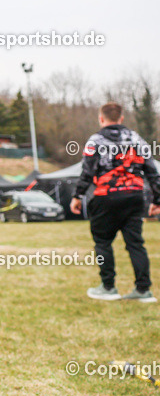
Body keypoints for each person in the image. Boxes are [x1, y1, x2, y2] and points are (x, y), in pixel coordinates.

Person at [72, 102, 160, 302]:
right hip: (135, 197)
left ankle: (108, 286)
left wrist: (78, 196)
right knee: (136, 244)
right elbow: (152, 171)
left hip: (106, 197)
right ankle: (143, 289)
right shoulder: (136, 139)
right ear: (121, 118)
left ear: (101, 119)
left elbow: (87, 171)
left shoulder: (95, 140)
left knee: (102, 242)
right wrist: (157, 199)